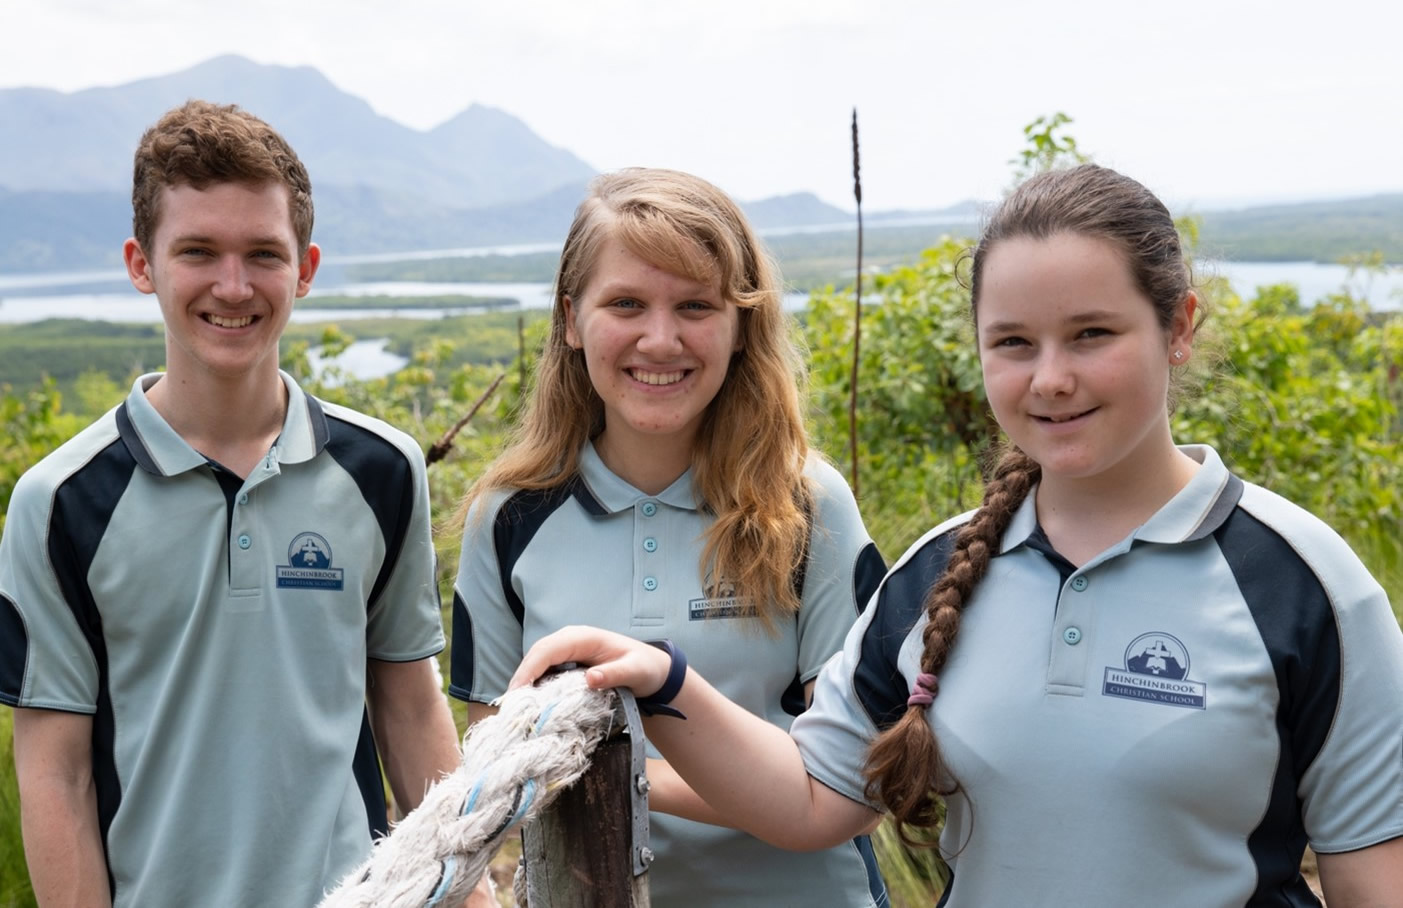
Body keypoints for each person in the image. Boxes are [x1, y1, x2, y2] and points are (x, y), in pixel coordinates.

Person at [505, 164, 1403, 906]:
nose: (1050, 378)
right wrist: (665, 683)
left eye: (1091, 334)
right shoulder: (934, 574)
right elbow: (816, 798)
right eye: (1012, 342)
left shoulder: (1300, 586)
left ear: (1176, 327)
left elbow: (1373, 878)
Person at [0, 100, 469, 908]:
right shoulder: (60, 502)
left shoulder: (382, 470)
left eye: (263, 253)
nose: (233, 285)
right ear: (140, 264)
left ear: (306, 268)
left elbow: (408, 702)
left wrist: (467, 893)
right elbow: (56, 772)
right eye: (198, 252)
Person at [450, 167, 890, 907]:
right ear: (569, 319)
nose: (660, 339)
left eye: (695, 305)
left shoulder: (809, 506)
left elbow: (854, 783)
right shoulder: (509, 517)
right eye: (625, 303)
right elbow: (496, 773)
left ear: (741, 323)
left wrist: (616, 775)